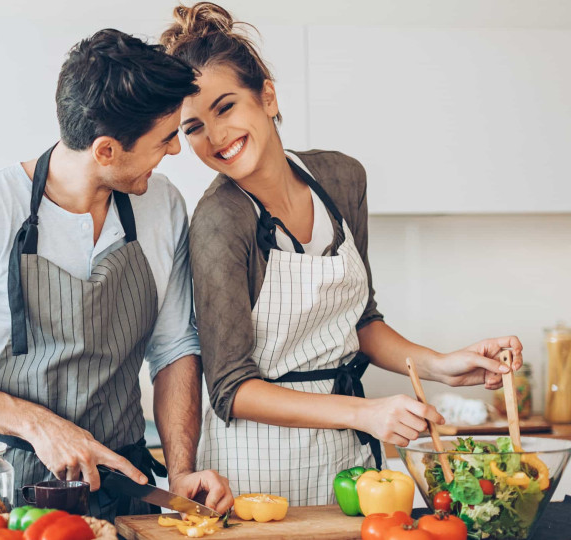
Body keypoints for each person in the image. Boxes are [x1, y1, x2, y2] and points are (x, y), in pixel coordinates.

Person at [160, 2, 524, 506]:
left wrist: (440, 365)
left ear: (266, 95)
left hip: (349, 460)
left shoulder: (341, 179)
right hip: (257, 469)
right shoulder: (221, 221)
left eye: (225, 107)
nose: (215, 137)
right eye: (193, 127)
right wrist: (365, 413)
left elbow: (360, 322)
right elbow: (230, 389)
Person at [0, 28, 233, 520]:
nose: (174, 151)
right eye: (163, 139)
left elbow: (174, 348)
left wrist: (179, 473)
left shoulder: (163, 205)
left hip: (124, 491)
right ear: (106, 150)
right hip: (4, 497)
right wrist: (41, 426)